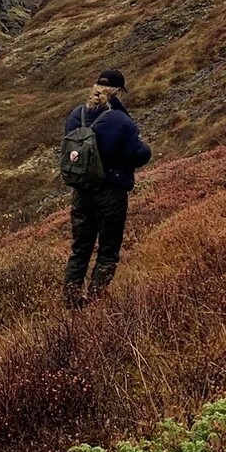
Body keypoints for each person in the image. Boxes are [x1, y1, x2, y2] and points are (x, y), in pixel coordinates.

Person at [61, 67, 151, 306]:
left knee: (80, 248)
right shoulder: (121, 121)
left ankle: (70, 300)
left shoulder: (76, 115)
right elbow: (137, 155)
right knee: (108, 250)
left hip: (81, 191)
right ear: (118, 92)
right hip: (110, 193)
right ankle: (94, 302)